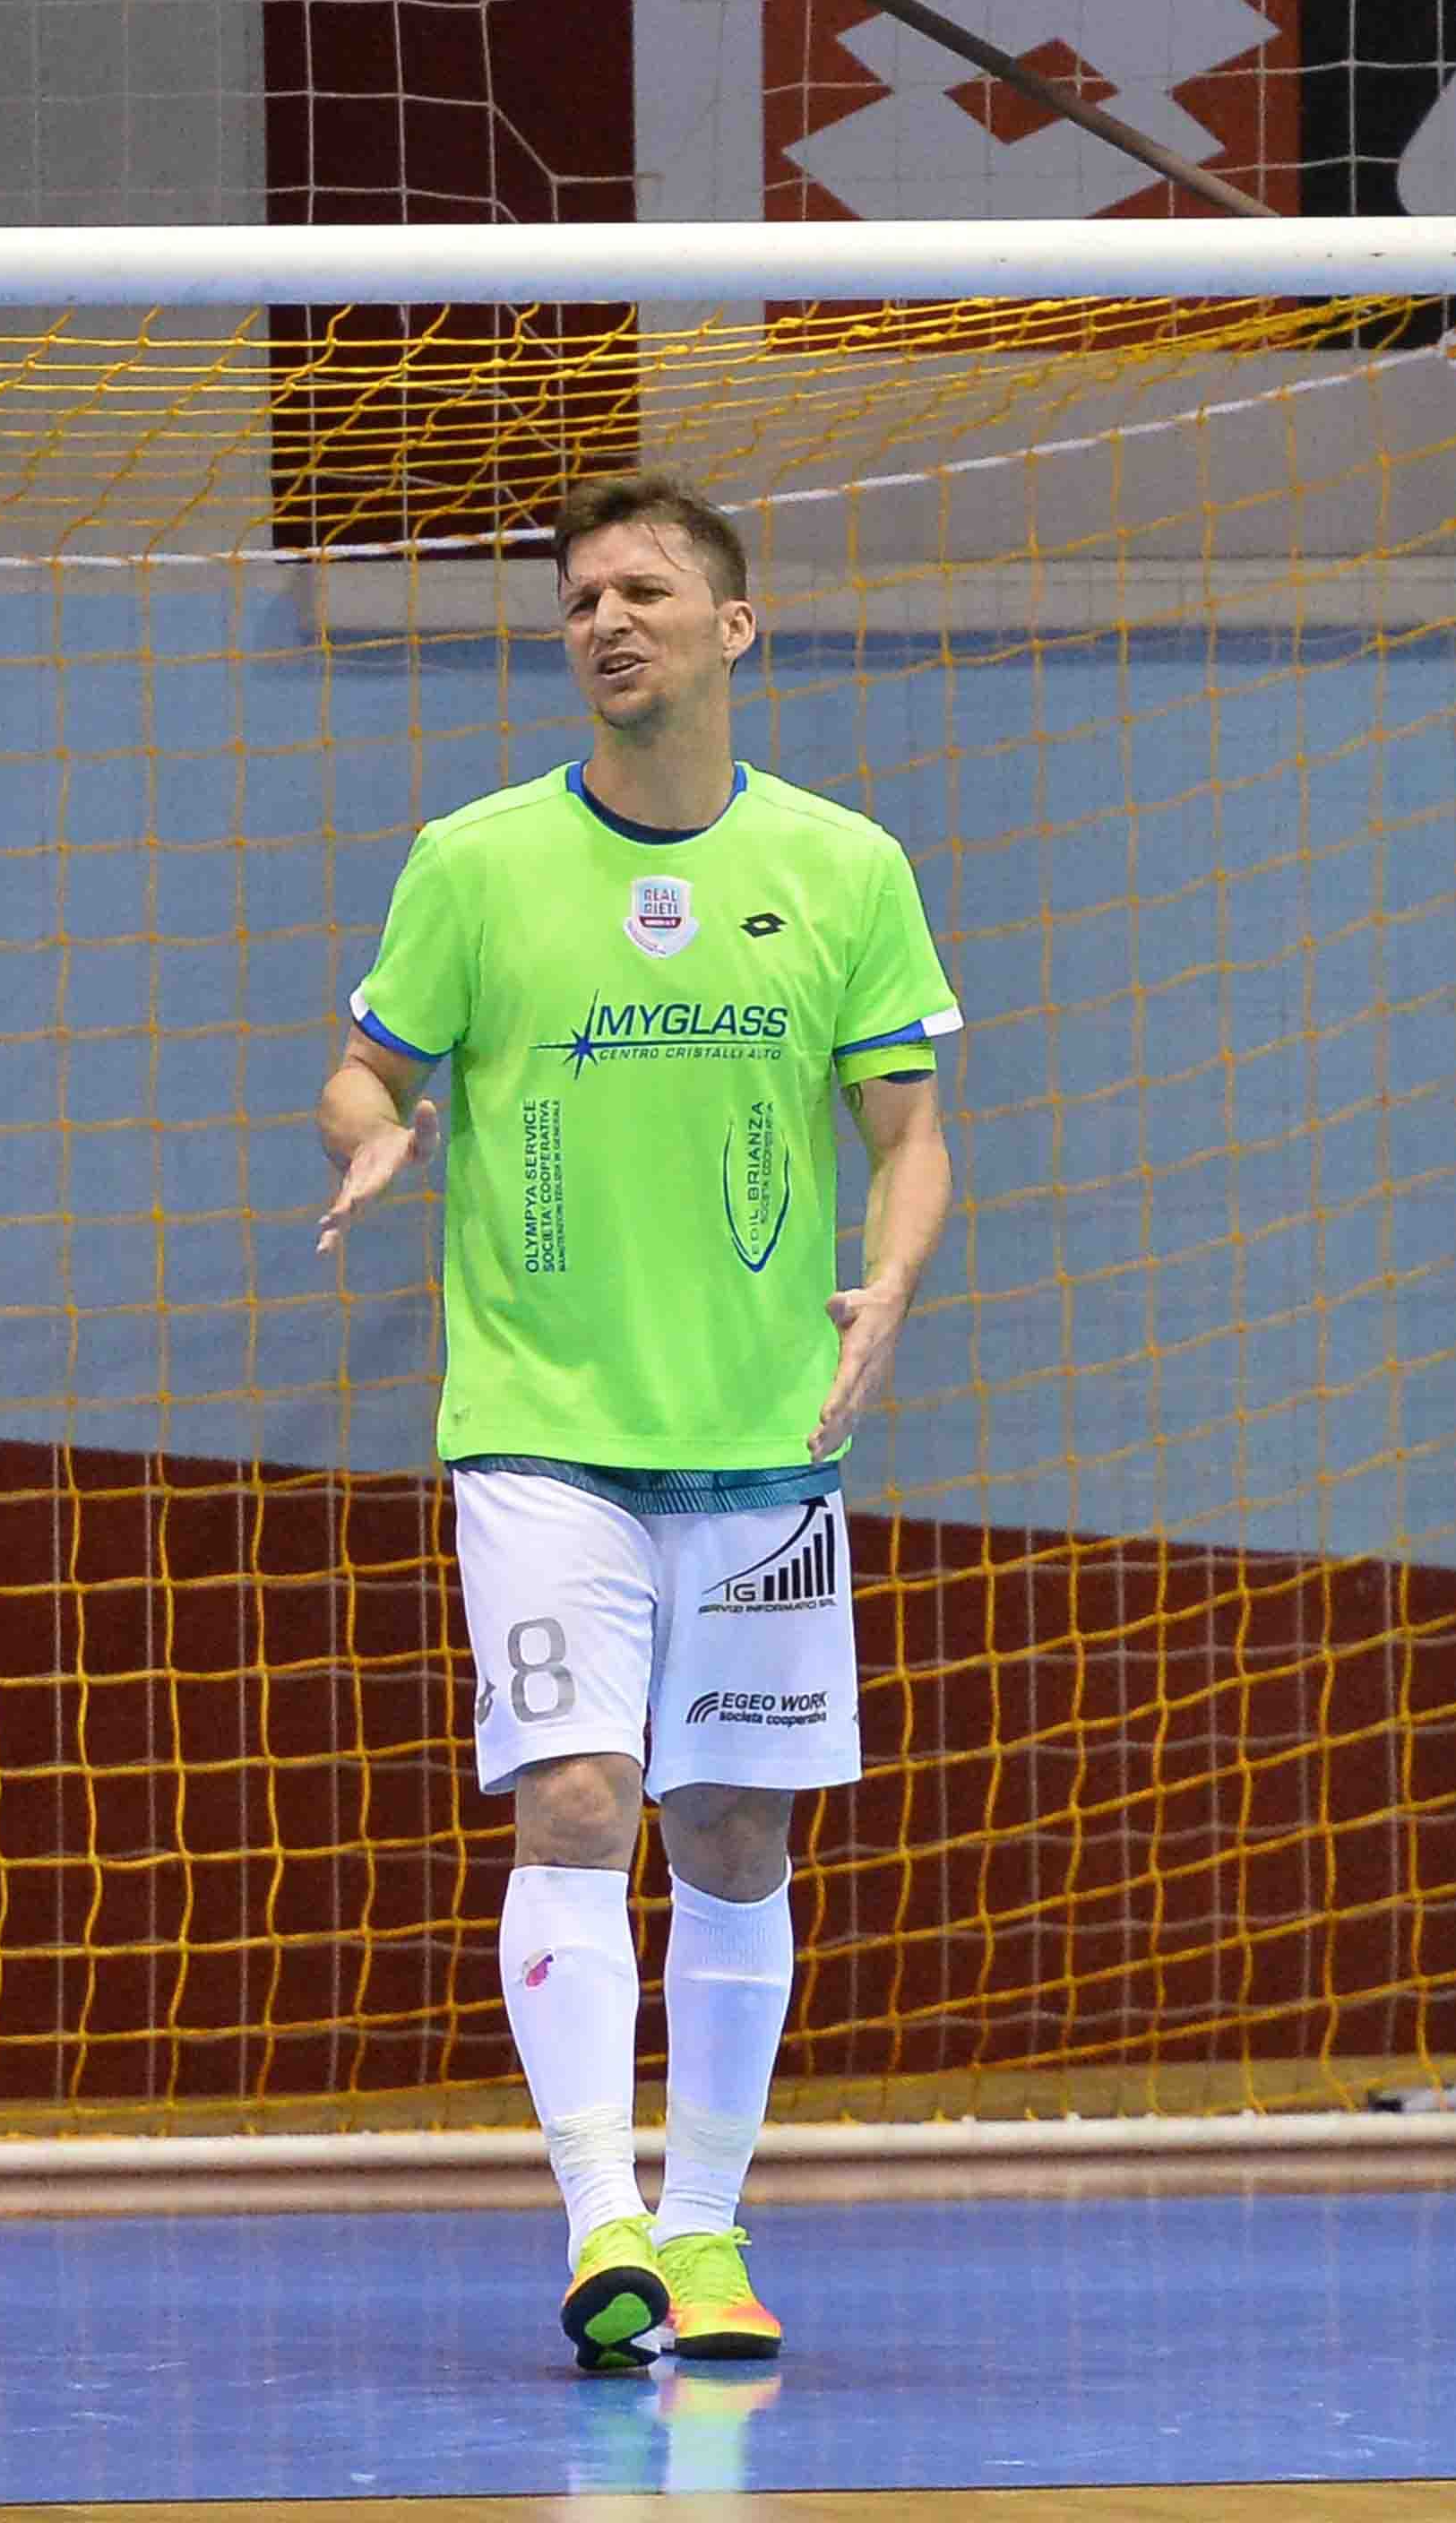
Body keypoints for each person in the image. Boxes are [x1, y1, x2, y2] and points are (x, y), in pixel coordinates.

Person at [314, 471, 959, 2372]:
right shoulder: (475, 861)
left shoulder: (845, 867)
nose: (606, 620)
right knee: (581, 1796)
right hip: (539, 1425)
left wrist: (889, 1283)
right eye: (581, 598)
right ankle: (602, 2215)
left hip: (764, 1437)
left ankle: (707, 2231)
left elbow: (910, 1137)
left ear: (731, 627)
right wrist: (376, 1133)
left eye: (645, 592)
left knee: (734, 1830)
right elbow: (362, 1067)